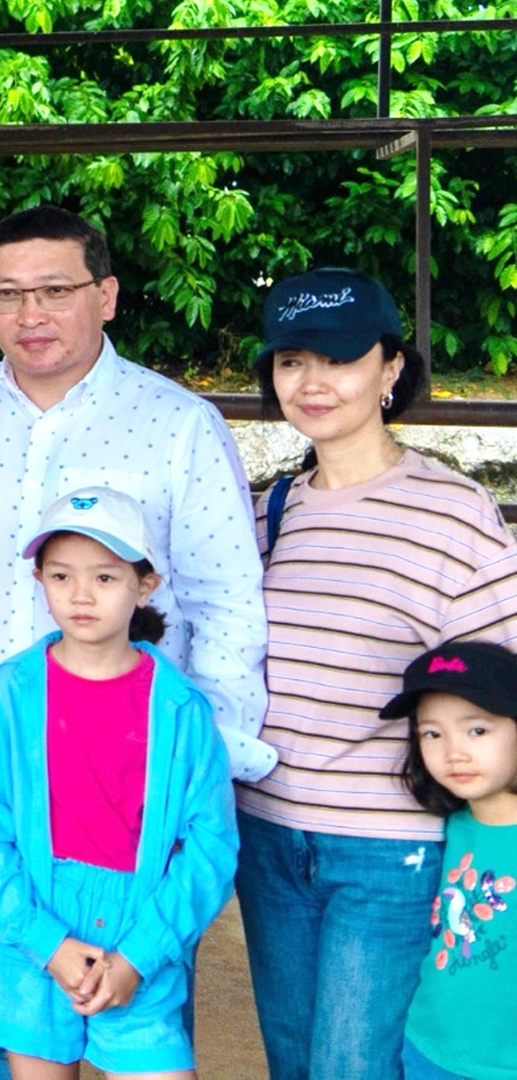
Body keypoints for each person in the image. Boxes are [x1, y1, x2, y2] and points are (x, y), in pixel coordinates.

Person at [0, 205, 270, 1077]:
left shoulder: (177, 421)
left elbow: (225, 596)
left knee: (140, 1010)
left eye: (55, 291)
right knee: (25, 1005)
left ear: (105, 296)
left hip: (138, 791)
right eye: (7, 294)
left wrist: (209, 762)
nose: (30, 314)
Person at [236, 268, 517, 1080]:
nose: (312, 382)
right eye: (290, 361)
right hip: (269, 835)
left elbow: (502, 693)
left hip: (388, 846)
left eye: (339, 359)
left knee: (353, 1069)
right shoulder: (264, 512)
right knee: (294, 1064)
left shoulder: (456, 514)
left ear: (391, 369)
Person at [0, 488, 237, 1080]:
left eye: (106, 578)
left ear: (145, 585)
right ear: (40, 579)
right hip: (34, 937)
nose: (81, 595)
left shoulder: (181, 709)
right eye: (61, 575)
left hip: (139, 933)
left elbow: (212, 849)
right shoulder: (11, 693)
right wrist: (47, 943)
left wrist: (139, 957)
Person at [379, 640, 517, 1080]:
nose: (453, 751)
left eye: (477, 730)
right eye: (431, 733)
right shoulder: (449, 828)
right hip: (430, 1052)